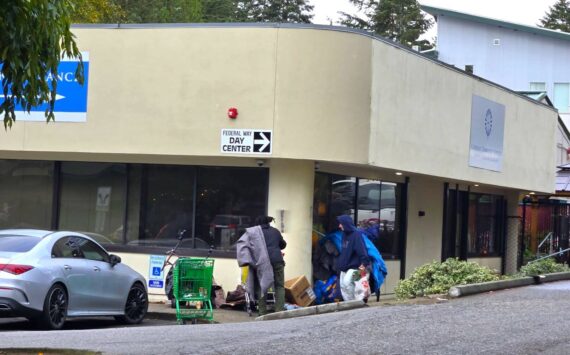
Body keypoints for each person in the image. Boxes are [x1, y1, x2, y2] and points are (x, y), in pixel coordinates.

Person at [255, 215, 287, 315]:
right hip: (277, 261)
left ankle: (262, 312)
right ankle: (279, 311)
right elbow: (283, 244)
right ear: (268, 222)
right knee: (279, 286)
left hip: (263, 262)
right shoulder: (275, 231)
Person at [335, 214, 370, 301]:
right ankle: (350, 305)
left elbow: (362, 251)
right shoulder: (344, 234)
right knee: (343, 286)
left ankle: (354, 303)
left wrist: (363, 265)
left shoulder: (356, 235)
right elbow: (344, 251)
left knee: (348, 284)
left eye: (341, 224)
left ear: (346, 224)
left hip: (355, 268)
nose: (339, 226)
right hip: (345, 268)